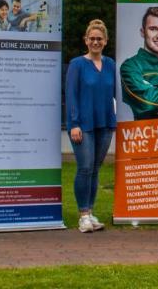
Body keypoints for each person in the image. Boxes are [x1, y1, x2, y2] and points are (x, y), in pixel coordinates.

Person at [65, 20, 117, 233]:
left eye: (99, 39)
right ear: (86, 40)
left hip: (104, 123)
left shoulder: (111, 64)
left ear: (105, 41)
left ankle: (91, 212)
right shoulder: (77, 64)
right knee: (85, 168)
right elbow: (71, 95)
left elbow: (115, 93)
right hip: (82, 125)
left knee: (95, 169)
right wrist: (74, 124)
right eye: (92, 38)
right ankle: (83, 214)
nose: (95, 42)